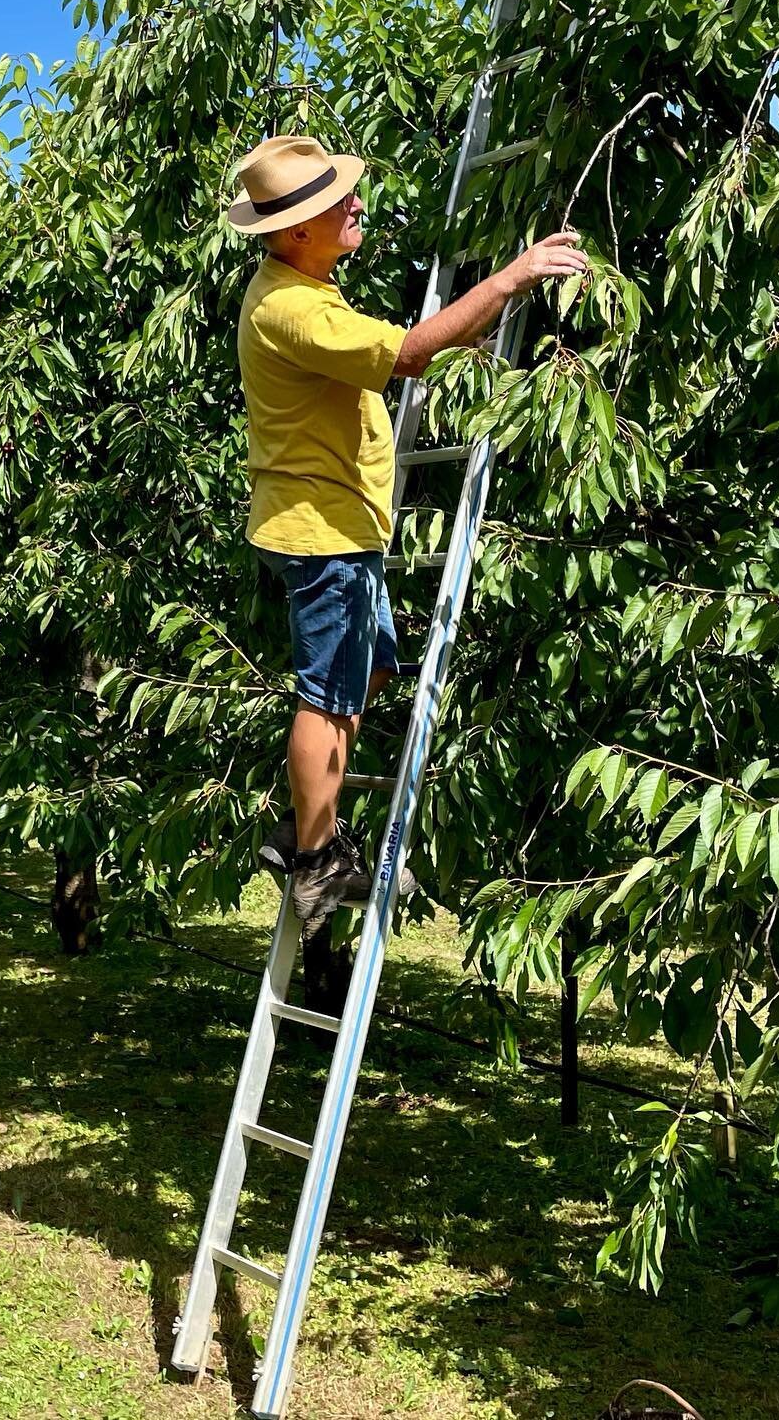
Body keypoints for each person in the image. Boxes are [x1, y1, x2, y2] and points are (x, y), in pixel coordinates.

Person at [229, 134, 589, 938]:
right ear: (292, 232)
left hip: (341, 523)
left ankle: (304, 827)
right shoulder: (292, 307)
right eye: (336, 203)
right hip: (321, 530)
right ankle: (317, 860)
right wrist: (510, 277)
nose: (357, 204)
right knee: (325, 695)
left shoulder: (303, 283)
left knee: (369, 672)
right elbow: (415, 353)